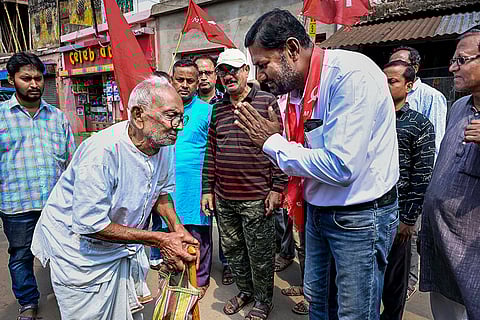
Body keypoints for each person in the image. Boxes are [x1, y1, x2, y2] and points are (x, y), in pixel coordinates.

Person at [238, 9, 400, 319]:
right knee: (318, 303)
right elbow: (304, 149)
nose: (259, 77)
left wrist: (272, 143)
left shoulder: (350, 77)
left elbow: (341, 166)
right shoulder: (293, 89)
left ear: (292, 49)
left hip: (359, 218)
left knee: (355, 313)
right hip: (318, 211)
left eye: (262, 65)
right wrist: (279, 140)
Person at [31, 76, 198, 320]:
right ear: (138, 116)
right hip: (80, 253)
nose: (179, 126)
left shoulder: (163, 143)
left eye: (181, 117)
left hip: (119, 245)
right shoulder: (102, 152)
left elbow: (161, 192)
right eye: (171, 116)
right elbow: (89, 224)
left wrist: (177, 227)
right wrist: (160, 240)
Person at [201, 48, 288, 320]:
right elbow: (211, 150)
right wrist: (207, 189)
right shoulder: (217, 108)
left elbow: (280, 147)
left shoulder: (266, 101)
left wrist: (277, 188)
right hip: (225, 197)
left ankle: (263, 300)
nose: (228, 76)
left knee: (260, 254)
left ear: (246, 71)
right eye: (222, 71)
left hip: (257, 197)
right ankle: (245, 290)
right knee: (234, 250)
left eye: (233, 70)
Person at [0, 52, 75, 320]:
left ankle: (68, 296)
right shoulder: (1, 117)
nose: (34, 84)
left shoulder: (57, 118)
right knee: (21, 256)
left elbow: (71, 164)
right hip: (16, 205)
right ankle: (28, 303)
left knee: (63, 252)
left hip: (55, 206)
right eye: (26, 78)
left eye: (38, 77)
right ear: (12, 80)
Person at [419, 26, 480, 320]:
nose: (451, 66)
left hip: (471, 251)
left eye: (462, 59)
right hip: (441, 243)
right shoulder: (458, 107)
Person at [389, 47, 448, 299]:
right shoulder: (383, 109)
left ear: (413, 71)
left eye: (400, 64)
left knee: (409, 236)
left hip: (417, 178)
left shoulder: (431, 97)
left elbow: (434, 146)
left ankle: (409, 283)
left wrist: (425, 186)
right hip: (388, 192)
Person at [381, 60, 435, 320]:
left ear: (409, 85)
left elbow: (421, 174)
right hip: (371, 211)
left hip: (400, 213)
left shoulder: (419, 124)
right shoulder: (374, 117)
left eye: (392, 81)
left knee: (395, 283)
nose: (386, 85)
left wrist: (409, 218)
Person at [171, 59, 213, 298]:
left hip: (197, 185)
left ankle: (200, 279)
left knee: (199, 236)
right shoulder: (164, 109)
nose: (185, 85)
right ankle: (178, 275)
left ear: (198, 83)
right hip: (169, 186)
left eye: (190, 80)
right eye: (180, 80)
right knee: (174, 233)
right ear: (172, 79)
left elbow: (214, 150)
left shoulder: (207, 112)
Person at [193, 55, 234, 286]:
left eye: (208, 72)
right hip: (197, 175)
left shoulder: (225, 102)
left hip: (222, 174)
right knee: (202, 222)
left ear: (215, 75)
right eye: (200, 73)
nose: (204, 77)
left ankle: (228, 265)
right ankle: (201, 267)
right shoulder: (187, 104)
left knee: (225, 224)